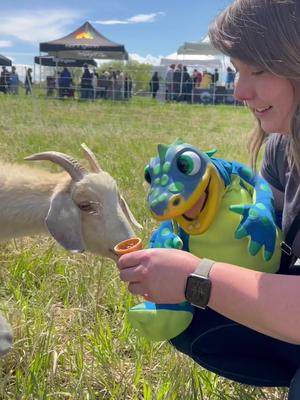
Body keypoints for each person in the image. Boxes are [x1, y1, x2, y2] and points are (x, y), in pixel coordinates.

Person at [117, 1, 300, 398]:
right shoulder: (281, 149)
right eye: (237, 70)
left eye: (259, 68)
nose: (239, 91)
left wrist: (195, 278)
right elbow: (280, 240)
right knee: (198, 320)